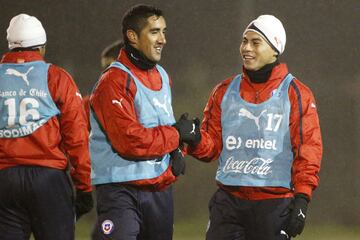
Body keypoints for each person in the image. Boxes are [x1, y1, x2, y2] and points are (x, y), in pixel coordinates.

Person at [187, 15, 323, 240]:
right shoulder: (223, 91)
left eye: (255, 42)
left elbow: (308, 150)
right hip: (228, 202)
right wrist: (194, 140)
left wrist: (302, 199)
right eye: (244, 41)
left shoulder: (296, 93)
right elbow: (211, 149)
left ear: (275, 48)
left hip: (274, 205)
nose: (246, 48)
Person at [89, 4, 200, 240]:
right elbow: (130, 140)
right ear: (132, 36)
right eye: (154, 32)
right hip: (121, 189)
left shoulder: (161, 75)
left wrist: (178, 151)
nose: (163, 39)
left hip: (159, 189)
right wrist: (176, 136)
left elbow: (163, 125)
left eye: (164, 31)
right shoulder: (114, 80)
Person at [0, 14, 93, 240]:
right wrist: (84, 186)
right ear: (41, 48)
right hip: (49, 179)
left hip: (4, 179)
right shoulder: (57, 77)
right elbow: (77, 136)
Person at [83, 40, 124, 128]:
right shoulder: (90, 105)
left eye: (110, 66)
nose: (105, 72)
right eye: (105, 68)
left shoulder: (149, 99)